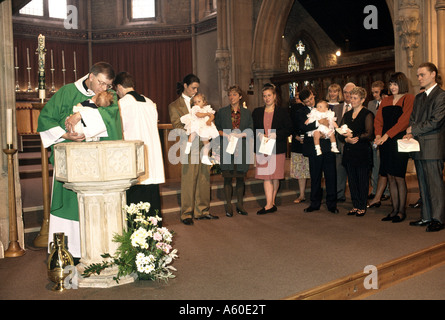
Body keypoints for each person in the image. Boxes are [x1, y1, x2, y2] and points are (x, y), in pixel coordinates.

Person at [37, 62, 122, 258]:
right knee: (70, 205)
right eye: (101, 83)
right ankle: (70, 252)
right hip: (72, 161)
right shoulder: (67, 92)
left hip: (99, 165)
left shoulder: (110, 95)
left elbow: (110, 118)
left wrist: (79, 114)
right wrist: (65, 135)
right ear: (90, 76)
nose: (104, 89)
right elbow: (45, 120)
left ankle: (101, 250)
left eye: (108, 85)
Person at [114, 71, 165, 222]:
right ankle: (154, 239)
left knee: (135, 208)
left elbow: (119, 130)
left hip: (134, 159)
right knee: (152, 206)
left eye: (117, 91)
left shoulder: (121, 104)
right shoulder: (150, 102)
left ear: (119, 87)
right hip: (152, 158)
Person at [168, 74, 218, 225]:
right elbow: (177, 126)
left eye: (197, 88)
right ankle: (187, 213)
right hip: (189, 144)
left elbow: (208, 117)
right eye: (193, 87)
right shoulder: (174, 106)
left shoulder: (200, 101)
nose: (195, 90)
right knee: (189, 179)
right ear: (185, 85)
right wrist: (192, 131)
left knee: (204, 177)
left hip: (203, 143)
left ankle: (202, 211)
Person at [404, 62, 445, 232]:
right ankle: (427, 216)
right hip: (419, 145)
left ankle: (438, 218)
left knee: (435, 184)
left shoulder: (441, 96)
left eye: (422, 75)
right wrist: (410, 132)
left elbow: (436, 121)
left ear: (433, 74)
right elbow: (413, 118)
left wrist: (413, 129)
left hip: (433, 146)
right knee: (423, 183)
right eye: (418, 75)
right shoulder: (419, 97)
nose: (419, 78)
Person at [371, 72, 414, 223]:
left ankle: (401, 211)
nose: (392, 87)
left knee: (399, 177)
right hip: (385, 142)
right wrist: (377, 135)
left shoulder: (408, 98)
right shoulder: (386, 100)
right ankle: (394, 209)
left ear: (401, 84)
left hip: (398, 141)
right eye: (391, 84)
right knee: (389, 176)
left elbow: (404, 121)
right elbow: (378, 120)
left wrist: (386, 135)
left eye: (395, 84)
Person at [252, 83, 292, 215]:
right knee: (266, 176)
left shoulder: (282, 112)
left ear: (274, 96)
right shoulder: (257, 112)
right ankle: (268, 204)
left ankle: (272, 202)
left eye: (269, 95)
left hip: (277, 147)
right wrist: (259, 134)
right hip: (262, 147)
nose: (267, 98)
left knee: (275, 177)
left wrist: (275, 134)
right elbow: (254, 129)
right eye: (264, 96)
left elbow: (288, 129)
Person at [214, 85, 254, 217]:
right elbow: (216, 129)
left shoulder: (247, 113)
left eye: (234, 95)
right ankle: (228, 205)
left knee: (240, 178)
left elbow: (250, 130)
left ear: (240, 96)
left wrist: (240, 135)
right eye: (230, 95)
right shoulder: (222, 112)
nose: (231, 97)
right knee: (227, 178)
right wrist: (226, 135)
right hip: (227, 147)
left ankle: (240, 205)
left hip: (242, 147)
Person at [299, 86, 338, 214]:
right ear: (303, 102)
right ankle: (314, 203)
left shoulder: (324, 106)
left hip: (327, 145)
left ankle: (332, 203)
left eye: (311, 99)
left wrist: (326, 129)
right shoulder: (301, 111)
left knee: (330, 175)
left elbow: (331, 123)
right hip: (313, 147)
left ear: (313, 94)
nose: (310, 102)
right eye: (307, 101)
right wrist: (318, 123)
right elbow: (302, 127)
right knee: (315, 176)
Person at [338, 87, 375, 216]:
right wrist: (346, 139)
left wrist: (356, 137)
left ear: (362, 99)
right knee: (352, 179)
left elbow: (370, 134)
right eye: (351, 98)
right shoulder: (347, 115)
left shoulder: (367, 114)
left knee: (362, 179)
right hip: (349, 151)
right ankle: (355, 204)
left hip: (362, 151)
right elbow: (340, 133)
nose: (352, 100)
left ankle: (362, 205)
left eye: (355, 98)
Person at [367, 81, 390, 201]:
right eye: (373, 92)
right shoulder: (371, 103)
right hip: (374, 138)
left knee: (384, 165)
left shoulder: (388, 102)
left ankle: (386, 191)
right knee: (375, 165)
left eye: (377, 92)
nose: (375, 94)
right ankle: (375, 189)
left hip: (384, 138)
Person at [333, 82, 356, 202]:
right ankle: (339, 195)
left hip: (353, 145)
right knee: (339, 172)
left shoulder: (359, 108)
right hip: (338, 145)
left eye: (350, 93)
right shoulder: (337, 107)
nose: (347, 95)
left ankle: (355, 197)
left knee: (353, 173)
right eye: (345, 92)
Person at [181, 93, 219, 165]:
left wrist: (209, 120)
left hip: (204, 128)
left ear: (204, 102)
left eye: (199, 101)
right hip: (197, 124)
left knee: (207, 144)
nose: (196, 103)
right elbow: (199, 115)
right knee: (193, 133)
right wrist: (207, 114)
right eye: (195, 102)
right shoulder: (195, 108)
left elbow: (212, 116)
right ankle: (188, 145)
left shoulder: (207, 108)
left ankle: (205, 157)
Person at [289, 94, 310, 204]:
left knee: (312, 168)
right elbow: (290, 124)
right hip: (298, 142)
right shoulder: (293, 109)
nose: (298, 100)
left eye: (300, 98)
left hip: (311, 141)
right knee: (301, 170)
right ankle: (302, 194)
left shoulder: (313, 107)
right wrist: (296, 136)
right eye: (296, 98)